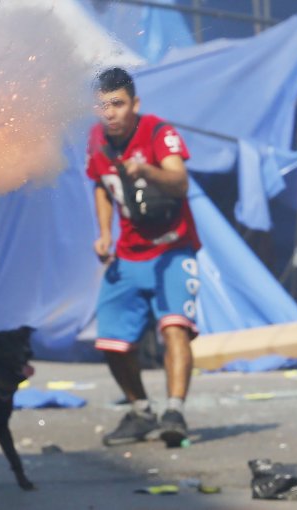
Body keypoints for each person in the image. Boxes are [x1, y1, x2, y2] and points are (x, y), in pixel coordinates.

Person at [85, 68, 203, 448]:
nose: (110, 113)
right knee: (112, 343)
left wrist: (146, 170)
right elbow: (102, 187)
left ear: (134, 104)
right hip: (129, 254)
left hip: (173, 247)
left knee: (174, 328)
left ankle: (174, 413)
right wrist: (105, 234)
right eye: (103, 106)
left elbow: (181, 182)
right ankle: (140, 411)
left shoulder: (157, 132)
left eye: (118, 104)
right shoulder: (97, 142)